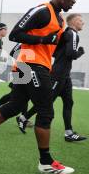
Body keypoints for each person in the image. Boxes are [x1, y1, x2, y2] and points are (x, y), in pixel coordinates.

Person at [0, 0, 79, 174]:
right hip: (30, 65)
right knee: (45, 111)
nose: (74, 1)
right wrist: (43, 39)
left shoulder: (60, 20)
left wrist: (67, 44)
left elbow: (53, 47)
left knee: (16, 106)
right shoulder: (42, 10)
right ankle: (45, 162)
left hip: (36, 66)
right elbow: (16, 34)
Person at [15, 13, 86, 142]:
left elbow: (56, 53)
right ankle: (23, 118)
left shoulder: (65, 34)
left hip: (64, 75)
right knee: (46, 102)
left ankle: (68, 133)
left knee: (69, 102)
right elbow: (71, 54)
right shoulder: (73, 34)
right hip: (58, 75)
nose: (83, 22)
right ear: (74, 21)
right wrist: (80, 52)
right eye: (81, 20)